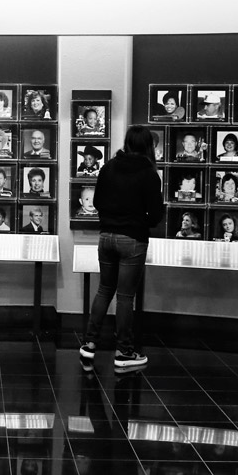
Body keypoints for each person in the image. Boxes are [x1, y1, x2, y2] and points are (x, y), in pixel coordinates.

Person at [79, 126, 163, 369]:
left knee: (104, 289)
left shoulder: (108, 167)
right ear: (148, 146)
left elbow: (97, 202)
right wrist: (138, 220)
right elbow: (155, 215)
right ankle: (124, 351)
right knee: (125, 296)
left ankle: (89, 345)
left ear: (127, 143)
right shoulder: (149, 174)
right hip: (133, 239)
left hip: (106, 237)